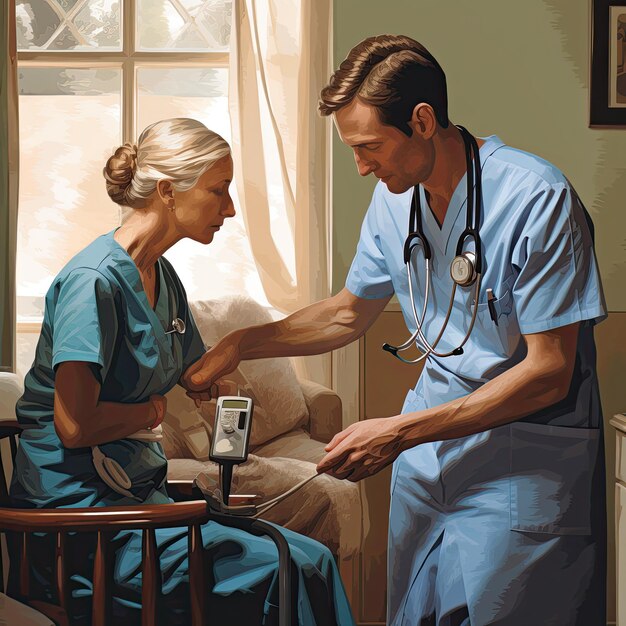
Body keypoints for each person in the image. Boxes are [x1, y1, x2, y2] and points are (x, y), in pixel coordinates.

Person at [184, 35, 608, 626]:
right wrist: (239, 344)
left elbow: (548, 372)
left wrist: (399, 432)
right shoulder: (395, 202)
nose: (361, 166)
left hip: (523, 463)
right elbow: (345, 313)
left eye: (370, 147)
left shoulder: (537, 198)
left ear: (423, 120)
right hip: (429, 463)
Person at [10, 117, 355, 626]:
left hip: (139, 504)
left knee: (312, 561)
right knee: (290, 568)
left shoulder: (161, 275)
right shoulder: (91, 283)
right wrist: (150, 411)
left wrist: (216, 375)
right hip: (88, 528)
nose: (230, 207)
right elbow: (74, 426)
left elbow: (189, 368)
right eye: (219, 191)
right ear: (168, 191)